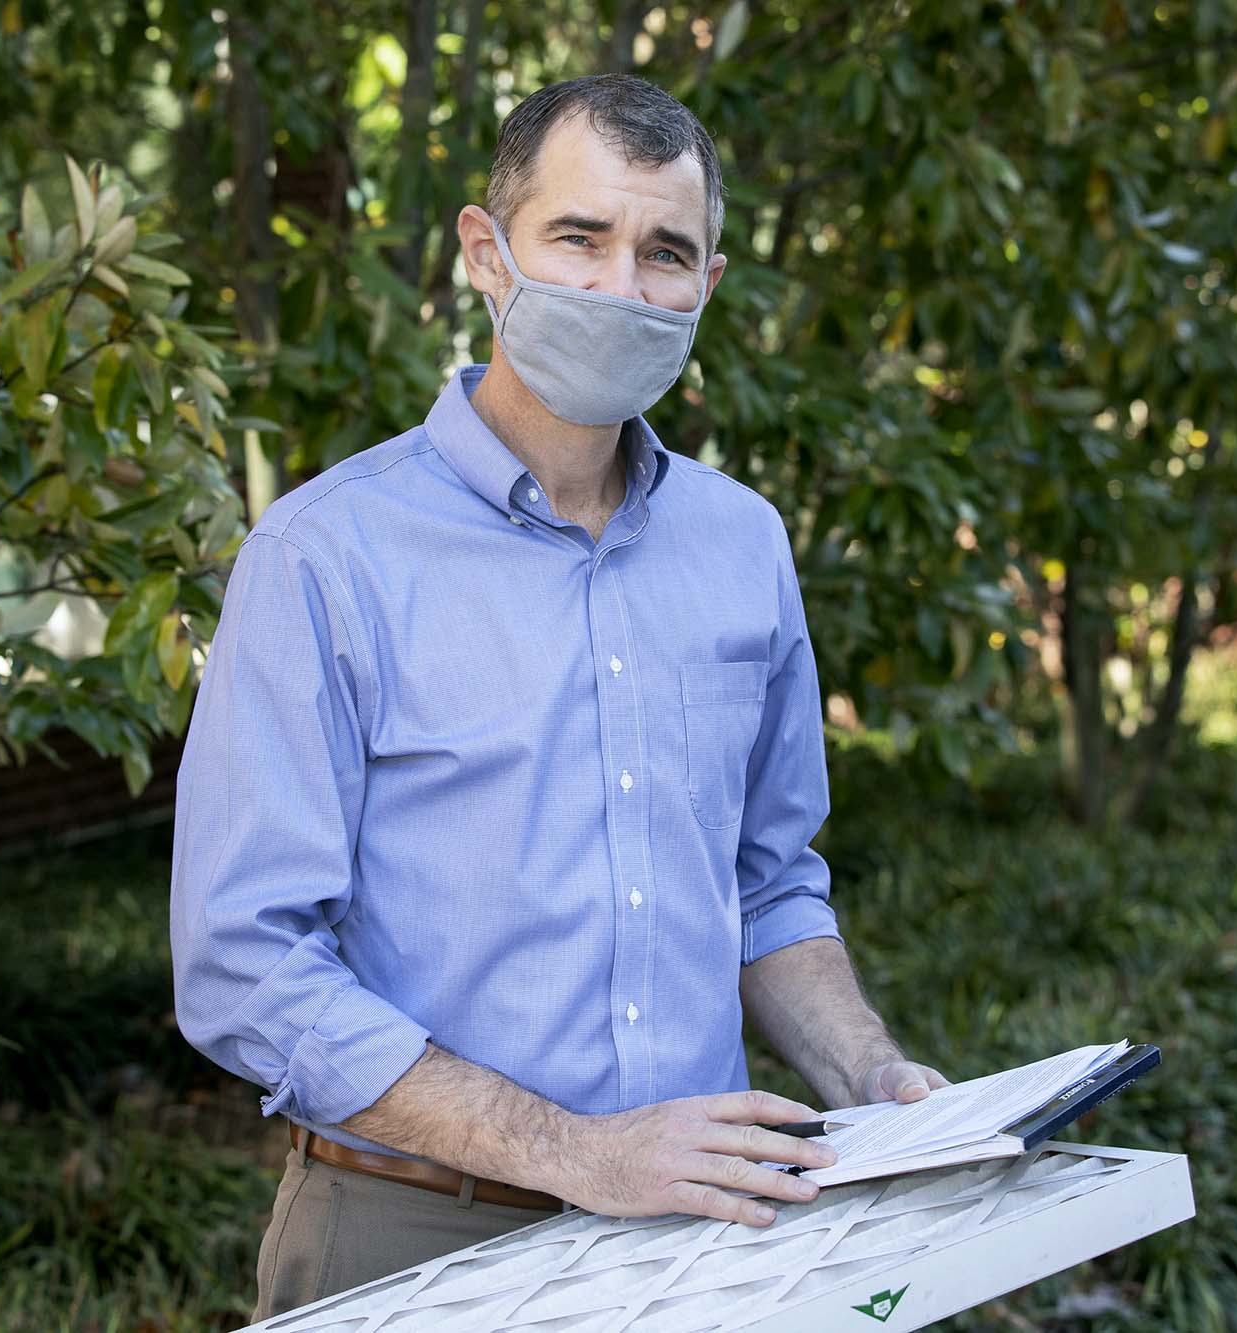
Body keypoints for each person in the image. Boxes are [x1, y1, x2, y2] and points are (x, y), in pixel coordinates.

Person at [169, 72, 949, 1322]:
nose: (618, 285)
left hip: (707, 1238)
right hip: (411, 1229)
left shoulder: (741, 544)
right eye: (577, 238)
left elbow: (765, 881)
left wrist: (871, 1072)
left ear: (706, 285)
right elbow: (242, 966)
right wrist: (578, 1154)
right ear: (486, 252)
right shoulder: (323, 557)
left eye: (664, 253)